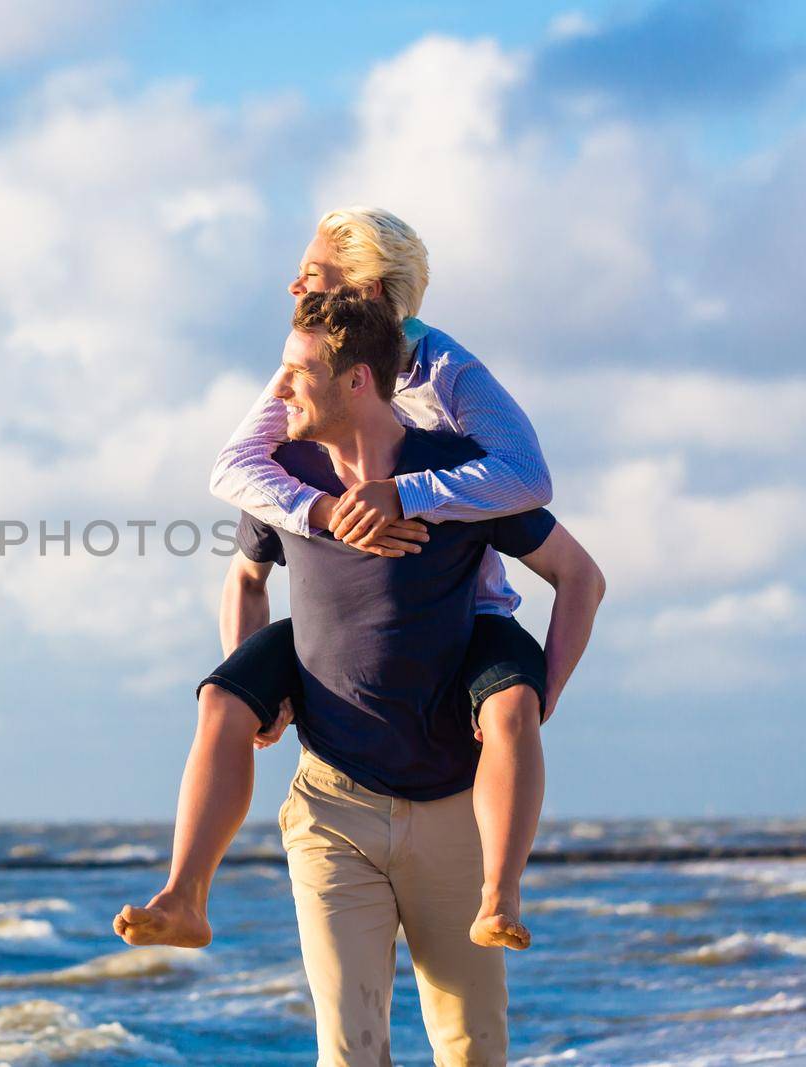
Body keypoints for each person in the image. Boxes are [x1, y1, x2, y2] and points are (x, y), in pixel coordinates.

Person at [116, 290, 605, 1064]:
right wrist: (265, 694)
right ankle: (184, 893)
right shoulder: (281, 476)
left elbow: (579, 575)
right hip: (332, 807)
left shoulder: (459, 473)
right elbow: (246, 580)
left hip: (453, 807)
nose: (277, 393)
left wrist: (539, 691)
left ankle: (501, 890)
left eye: (297, 373)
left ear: (358, 383)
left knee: (472, 1046)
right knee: (348, 1049)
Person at [215, 206, 560, 950]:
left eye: (311, 274)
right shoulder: (308, 369)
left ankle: (500, 893)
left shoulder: (446, 369)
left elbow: (528, 476)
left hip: (460, 612)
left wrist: (408, 495)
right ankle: (185, 891)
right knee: (223, 698)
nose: (292, 284)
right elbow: (232, 469)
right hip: (344, 620)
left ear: (367, 293)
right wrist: (328, 511)